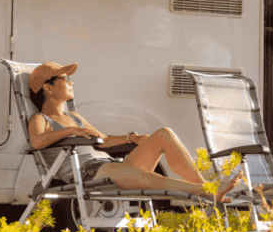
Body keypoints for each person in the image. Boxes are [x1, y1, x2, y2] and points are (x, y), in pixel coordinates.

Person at [26, 62, 242, 202]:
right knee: (149, 178)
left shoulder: (75, 117)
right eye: (64, 79)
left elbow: (104, 140)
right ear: (48, 88)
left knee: (164, 134)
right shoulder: (41, 119)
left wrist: (131, 138)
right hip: (88, 174)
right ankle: (206, 192)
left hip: (108, 168)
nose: (71, 82)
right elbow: (36, 142)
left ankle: (205, 188)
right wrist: (70, 132)